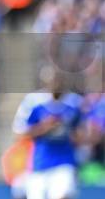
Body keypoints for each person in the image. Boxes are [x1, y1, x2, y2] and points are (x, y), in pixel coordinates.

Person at [12, 69, 83, 199]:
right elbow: (19, 133)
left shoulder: (74, 102)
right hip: (40, 163)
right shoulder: (34, 102)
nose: (56, 85)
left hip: (64, 161)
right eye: (52, 81)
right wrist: (43, 127)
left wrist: (71, 132)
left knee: (62, 194)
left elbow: (82, 133)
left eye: (59, 81)